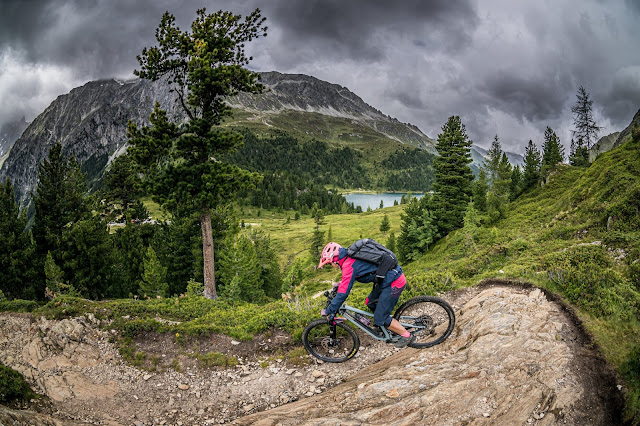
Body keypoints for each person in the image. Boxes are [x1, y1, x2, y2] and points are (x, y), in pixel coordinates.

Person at [317, 241, 415, 348]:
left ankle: (407, 335)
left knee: (380, 318)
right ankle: (384, 325)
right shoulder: (349, 258)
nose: (332, 266)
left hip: (394, 282)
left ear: (334, 260)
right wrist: (338, 286)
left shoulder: (348, 265)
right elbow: (350, 278)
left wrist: (329, 310)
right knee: (370, 303)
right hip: (386, 281)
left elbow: (343, 292)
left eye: (330, 264)